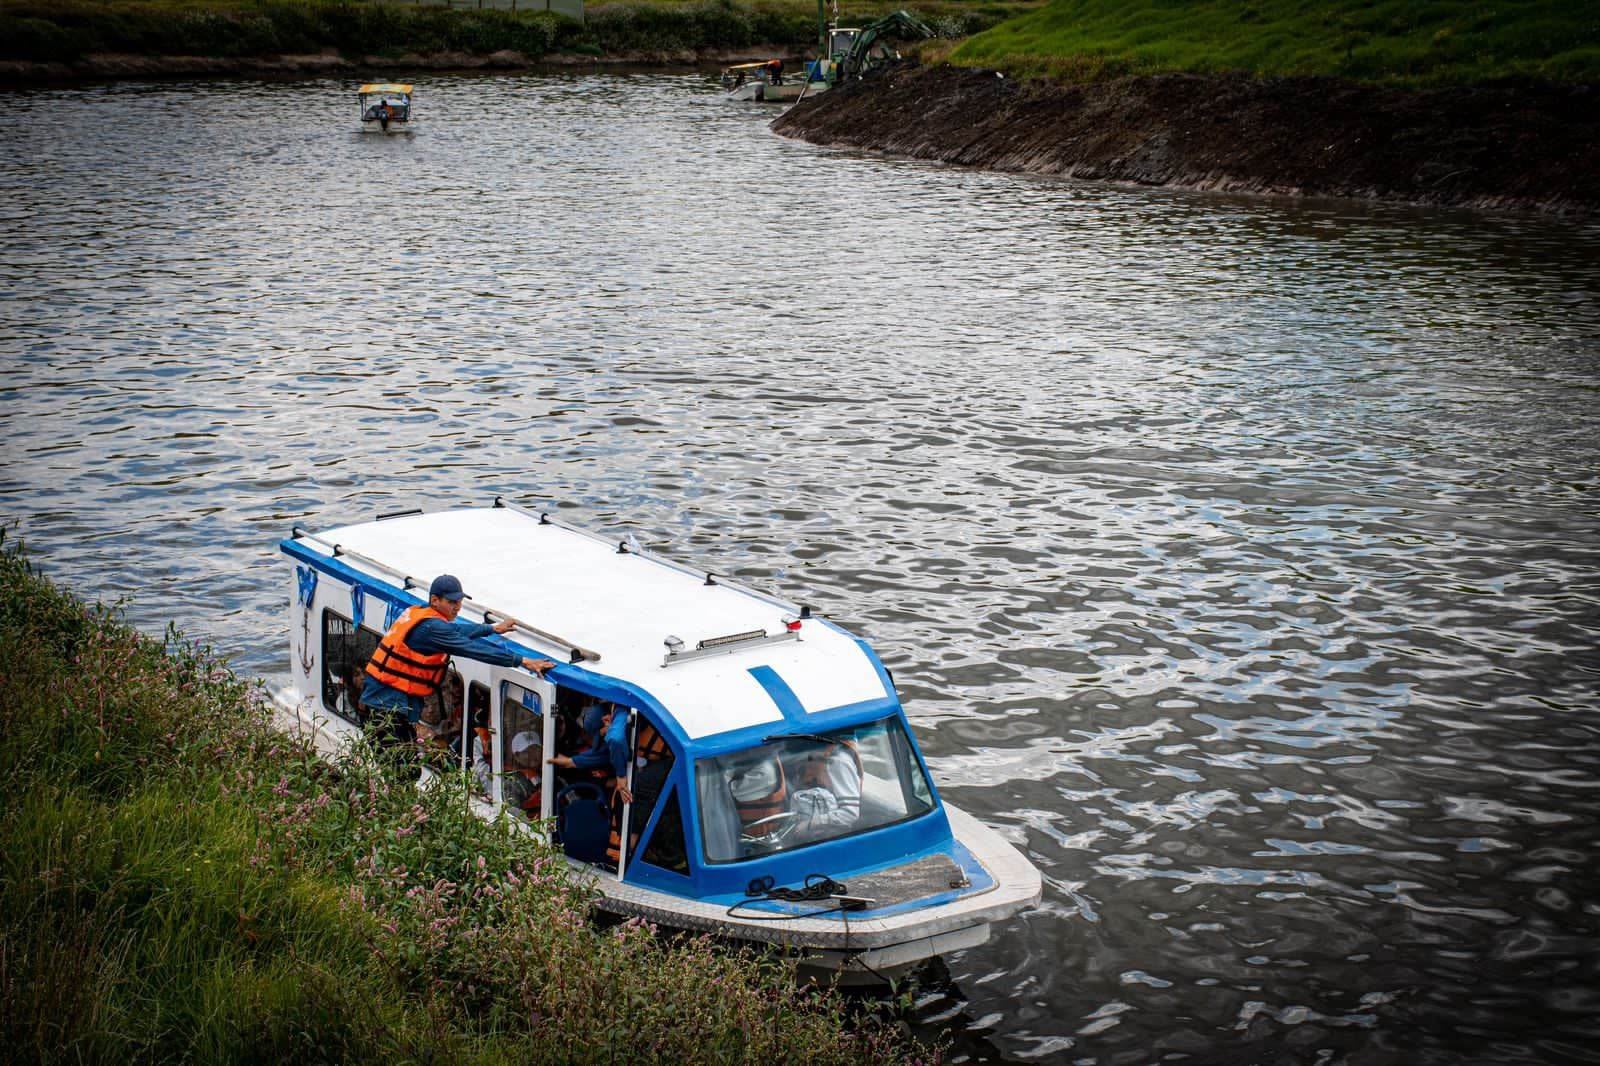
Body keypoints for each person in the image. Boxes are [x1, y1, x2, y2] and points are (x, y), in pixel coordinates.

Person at [362, 574, 555, 769]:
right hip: (385, 708)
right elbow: (471, 648)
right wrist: (522, 661)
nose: (457, 607)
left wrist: (491, 629)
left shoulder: (422, 614)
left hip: (387, 702)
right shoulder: (430, 628)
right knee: (401, 772)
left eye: (460, 602)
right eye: (452, 602)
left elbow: (455, 631)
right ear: (435, 600)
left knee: (405, 768)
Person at [789, 740, 862, 841]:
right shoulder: (813, 757)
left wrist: (810, 824)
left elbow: (850, 814)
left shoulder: (838, 762)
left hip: (835, 838)